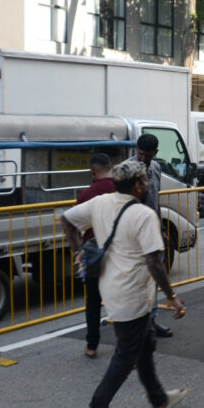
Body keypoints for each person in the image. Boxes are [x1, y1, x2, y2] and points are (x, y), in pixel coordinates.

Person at [61, 160, 187, 408]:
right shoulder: (143, 215)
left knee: (145, 342)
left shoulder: (101, 202)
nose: (147, 185)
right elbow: (154, 262)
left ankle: (158, 400)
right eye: (145, 181)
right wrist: (172, 297)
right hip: (132, 294)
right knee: (125, 355)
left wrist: (77, 251)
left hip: (113, 289)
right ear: (138, 185)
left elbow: (67, 220)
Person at [130, 133, 172, 339]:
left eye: (148, 155)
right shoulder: (126, 170)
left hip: (152, 229)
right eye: (140, 154)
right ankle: (136, 323)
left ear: (155, 153)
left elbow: (156, 200)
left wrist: (161, 228)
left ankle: (152, 320)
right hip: (134, 231)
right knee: (137, 279)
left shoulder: (156, 168)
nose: (143, 158)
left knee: (153, 277)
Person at [76, 153, 116, 357]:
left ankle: (92, 345)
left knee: (92, 300)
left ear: (93, 171)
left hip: (92, 253)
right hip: (117, 251)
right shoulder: (121, 189)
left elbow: (75, 224)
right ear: (112, 167)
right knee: (119, 300)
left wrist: (78, 251)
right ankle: (126, 348)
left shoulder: (85, 195)